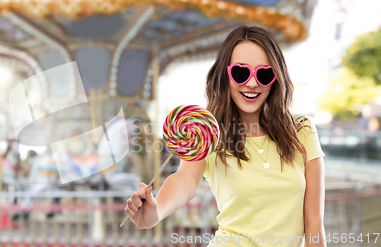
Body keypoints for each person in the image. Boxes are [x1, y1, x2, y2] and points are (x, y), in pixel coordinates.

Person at [124, 25, 326, 247]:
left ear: (275, 78)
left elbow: (314, 221)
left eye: (264, 74)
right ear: (225, 75)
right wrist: (157, 210)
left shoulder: (303, 132)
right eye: (240, 72)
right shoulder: (209, 134)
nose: (251, 83)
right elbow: (185, 179)